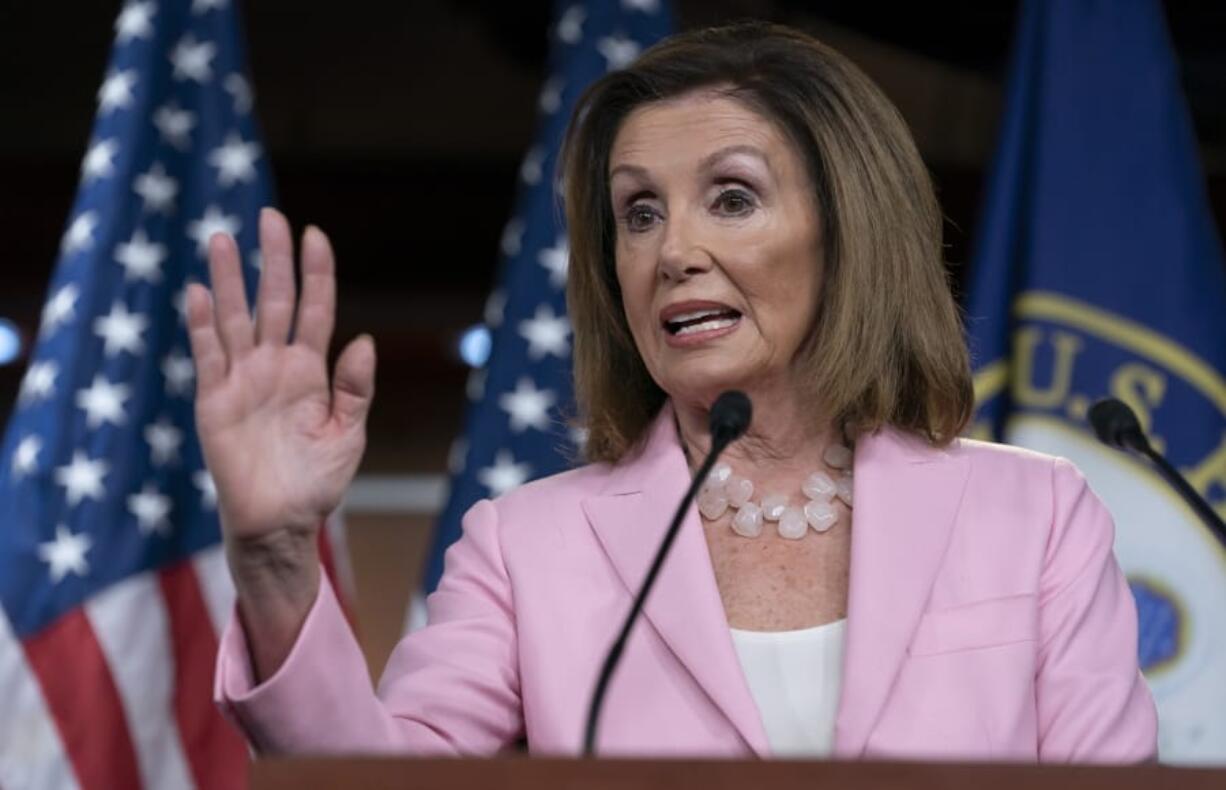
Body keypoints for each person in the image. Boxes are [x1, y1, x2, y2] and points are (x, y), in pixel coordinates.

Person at [192, 22, 1157, 761]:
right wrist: (277, 560)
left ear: (849, 232)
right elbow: (388, 785)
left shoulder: (1032, 516)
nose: (673, 252)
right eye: (638, 213)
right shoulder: (527, 548)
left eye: (731, 198)